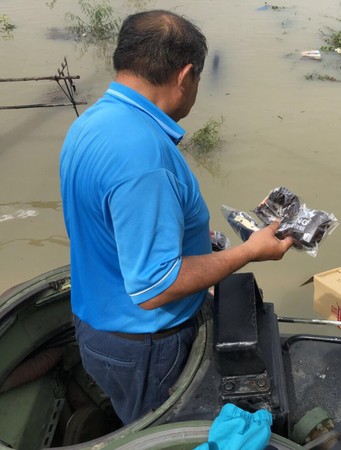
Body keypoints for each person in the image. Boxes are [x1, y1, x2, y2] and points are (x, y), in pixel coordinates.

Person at [59, 10, 293, 425]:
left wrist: (201, 238)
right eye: (198, 81)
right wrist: (248, 253)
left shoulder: (93, 122)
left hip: (97, 321)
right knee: (151, 428)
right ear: (185, 76)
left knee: (129, 415)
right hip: (143, 345)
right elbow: (154, 285)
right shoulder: (144, 157)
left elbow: (112, 224)